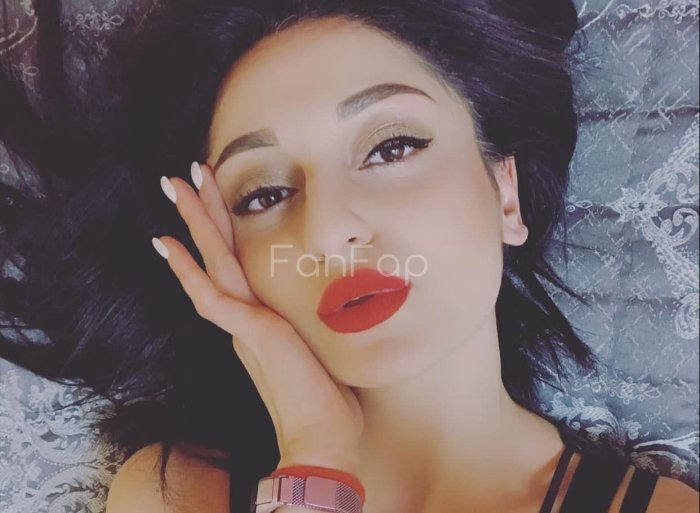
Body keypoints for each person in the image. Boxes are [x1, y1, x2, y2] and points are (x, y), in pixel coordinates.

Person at [0, 1, 696, 512]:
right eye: (264, 193)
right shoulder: (178, 496)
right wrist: (315, 461)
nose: (328, 231)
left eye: (392, 148)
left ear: (505, 194)